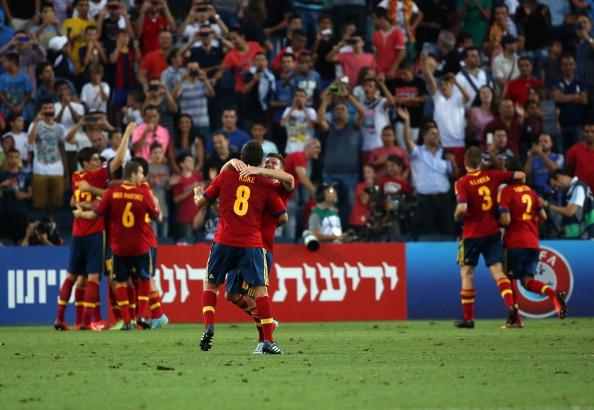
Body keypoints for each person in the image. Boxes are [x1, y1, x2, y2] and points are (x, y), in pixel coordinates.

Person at [193, 141, 288, 354]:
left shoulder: (225, 177)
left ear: (241, 158)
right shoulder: (266, 184)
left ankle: (208, 326)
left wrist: (197, 192)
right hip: (252, 244)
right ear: (260, 161)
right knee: (260, 291)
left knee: (211, 285)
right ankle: (269, 340)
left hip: (223, 240)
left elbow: (200, 203)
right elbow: (283, 216)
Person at [53, 123, 134, 331]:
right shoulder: (96, 175)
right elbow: (119, 159)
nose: (99, 163)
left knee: (72, 277)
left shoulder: (75, 177)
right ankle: (90, 320)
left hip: (76, 232)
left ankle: (61, 319)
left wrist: (81, 202)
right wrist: (127, 133)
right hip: (94, 233)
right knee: (93, 278)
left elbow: (73, 200)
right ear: (86, 163)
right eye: (96, 160)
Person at [73, 160, 162, 330]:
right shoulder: (142, 193)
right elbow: (156, 216)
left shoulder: (112, 193)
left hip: (118, 248)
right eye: (140, 173)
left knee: (120, 282)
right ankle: (141, 316)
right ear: (133, 174)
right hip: (140, 246)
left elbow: (94, 214)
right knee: (145, 278)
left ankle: (127, 320)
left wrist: (80, 214)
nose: (142, 176)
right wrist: (157, 206)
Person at [220, 152, 294, 353]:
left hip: (260, 247)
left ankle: (265, 339)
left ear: (281, 169)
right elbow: (223, 178)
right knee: (232, 295)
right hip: (241, 243)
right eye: (266, 162)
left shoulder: (278, 188)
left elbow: (290, 180)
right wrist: (232, 163)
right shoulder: (256, 184)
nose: (269, 165)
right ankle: (267, 323)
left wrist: (260, 170)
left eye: (274, 163)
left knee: (256, 293)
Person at [453, 146, 526, 329]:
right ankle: (511, 306)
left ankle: (468, 319)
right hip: (492, 233)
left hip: (471, 235)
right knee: (498, 273)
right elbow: (520, 175)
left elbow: (462, 207)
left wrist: (456, 216)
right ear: (481, 162)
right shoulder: (493, 175)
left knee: (467, 273)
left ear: (465, 163)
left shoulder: (462, 182)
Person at [499, 181, 567, 328]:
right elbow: (543, 216)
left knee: (508, 280)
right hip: (533, 242)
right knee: (527, 282)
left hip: (515, 242)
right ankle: (553, 295)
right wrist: (530, 226)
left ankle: (516, 320)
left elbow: (505, 220)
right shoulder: (530, 191)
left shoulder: (507, 191)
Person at [400, 108, 457, 238]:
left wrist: (453, 163)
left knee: (449, 232)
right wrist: (407, 121)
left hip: (444, 200)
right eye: (432, 133)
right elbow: (407, 140)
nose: (436, 136)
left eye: (437, 133)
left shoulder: (445, 153)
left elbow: (455, 176)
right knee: (427, 235)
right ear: (424, 136)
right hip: (424, 201)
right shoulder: (417, 152)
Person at [27, 99, 66, 211]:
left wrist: (65, 169)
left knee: (57, 205)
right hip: (40, 169)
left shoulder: (60, 127)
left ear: (54, 110)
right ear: (41, 110)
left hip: (57, 169)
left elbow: (63, 149)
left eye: (50, 108)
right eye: (45, 108)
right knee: (39, 205)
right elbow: (30, 141)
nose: (48, 110)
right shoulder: (34, 125)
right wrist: (36, 122)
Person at [542, 170, 594, 240]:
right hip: (579, 237)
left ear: (559, 177)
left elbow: (570, 212)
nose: (556, 189)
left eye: (555, 185)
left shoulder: (579, 188)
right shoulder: (570, 192)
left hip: (587, 237)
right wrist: (563, 229)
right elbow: (578, 215)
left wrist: (547, 205)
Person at [0, 148, 31, 244]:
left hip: (21, 213)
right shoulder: (2, 175)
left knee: (22, 242)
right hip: (5, 213)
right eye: (11, 157)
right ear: (7, 159)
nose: (13, 159)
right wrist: (2, 184)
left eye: (16, 157)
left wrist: (20, 194)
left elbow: (31, 194)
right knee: (5, 242)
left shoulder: (25, 175)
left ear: (19, 159)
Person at [172, 152, 203, 242]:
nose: (192, 163)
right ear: (181, 164)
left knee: (200, 246)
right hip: (185, 219)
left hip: (198, 218)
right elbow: (176, 199)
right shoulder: (178, 179)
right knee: (186, 244)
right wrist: (191, 190)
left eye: (192, 161)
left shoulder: (198, 176)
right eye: (189, 161)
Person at [280, 89, 317, 154]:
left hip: (305, 150)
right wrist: (292, 108)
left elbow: (311, 126)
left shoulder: (311, 111)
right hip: (290, 149)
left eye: (301, 96)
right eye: (296, 96)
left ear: (306, 99)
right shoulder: (288, 110)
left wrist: (304, 108)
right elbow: (282, 124)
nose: (298, 98)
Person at [566, 122, 594, 193]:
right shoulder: (574, 150)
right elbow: (568, 171)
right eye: (587, 131)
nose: (590, 134)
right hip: (580, 192)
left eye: (592, 131)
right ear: (583, 133)